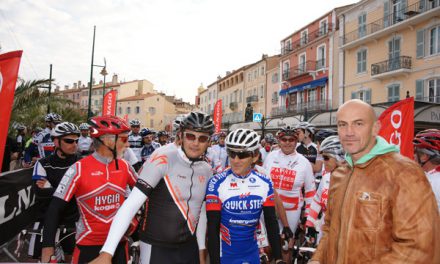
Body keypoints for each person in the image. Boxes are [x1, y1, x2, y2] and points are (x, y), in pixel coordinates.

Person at [310, 99, 440, 264]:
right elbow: (330, 229)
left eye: (358, 123)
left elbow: (421, 248)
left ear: (375, 128)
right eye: (342, 124)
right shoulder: (339, 174)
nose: (349, 132)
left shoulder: (404, 172)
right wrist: (317, 259)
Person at [93, 111, 214, 264]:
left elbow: (200, 210)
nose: (196, 143)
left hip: (188, 248)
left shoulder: (207, 169)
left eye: (202, 138)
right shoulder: (163, 157)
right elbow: (131, 205)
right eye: (191, 136)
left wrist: (202, 248)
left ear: (209, 141)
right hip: (156, 247)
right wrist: (107, 252)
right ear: (181, 135)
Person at [41, 115, 137, 263]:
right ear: (108, 140)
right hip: (88, 246)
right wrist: (47, 248)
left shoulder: (124, 166)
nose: (128, 145)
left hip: (119, 244)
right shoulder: (78, 169)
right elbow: (55, 208)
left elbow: (146, 195)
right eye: (124, 139)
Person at [206, 128, 283, 264]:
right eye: (231, 153)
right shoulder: (216, 183)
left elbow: (271, 222)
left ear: (255, 156)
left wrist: (278, 257)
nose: (235, 160)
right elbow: (212, 229)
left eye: (242, 155)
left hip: (252, 254)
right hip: (226, 256)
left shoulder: (265, 183)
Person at [263, 126, 315, 263]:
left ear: (296, 141)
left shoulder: (304, 163)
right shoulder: (271, 156)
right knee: (268, 245)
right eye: (283, 139)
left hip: (292, 209)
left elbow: (310, 191)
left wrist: (307, 217)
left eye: (291, 139)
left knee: (287, 246)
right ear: (279, 141)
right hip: (270, 208)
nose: (287, 142)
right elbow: (262, 181)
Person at [30, 122, 81, 262]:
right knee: (45, 259)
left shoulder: (81, 162)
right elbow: (39, 193)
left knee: (72, 259)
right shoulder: (43, 163)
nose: (74, 144)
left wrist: (51, 188)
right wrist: (71, 191)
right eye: (69, 141)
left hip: (73, 220)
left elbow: (81, 194)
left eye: (76, 140)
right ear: (56, 141)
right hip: (46, 219)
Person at [305, 135, 344, 244]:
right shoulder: (326, 177)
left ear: (339, 157)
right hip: (325, 227)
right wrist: (310, 224)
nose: (323, 161)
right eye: (322, 157)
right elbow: (317, 200)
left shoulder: (351, 180)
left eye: (326, 158)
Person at [413, 129, 440, 212]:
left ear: (424, 156)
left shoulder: (432, 184)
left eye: (415, 152)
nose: (413, 156)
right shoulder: (430, 176)